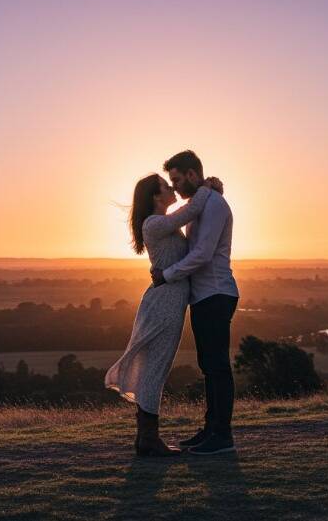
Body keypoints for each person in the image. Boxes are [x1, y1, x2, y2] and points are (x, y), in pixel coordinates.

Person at [105, 171, 223, 457]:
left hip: (169, 300)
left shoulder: (162, 223)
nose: (171, 187)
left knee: (156, 367)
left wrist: (210, 192)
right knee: (155, 368)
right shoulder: (155, 223)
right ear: (156, 197)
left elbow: (191, 217)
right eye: (165, 185)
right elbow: (192, 210)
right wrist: (207, 187)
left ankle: (146, 438)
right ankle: (148, 439)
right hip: (165, 303)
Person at [150, 150, 239, 455]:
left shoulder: (213, 204)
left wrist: (167, 275)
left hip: (216, 293)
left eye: (176, 180)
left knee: (218, 366)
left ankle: (223, 435)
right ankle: (211, 429)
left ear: (191, 174)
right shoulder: (201, 203)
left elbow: (202, 254)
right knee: (209, 366)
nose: (174, 188)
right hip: (203, 296)